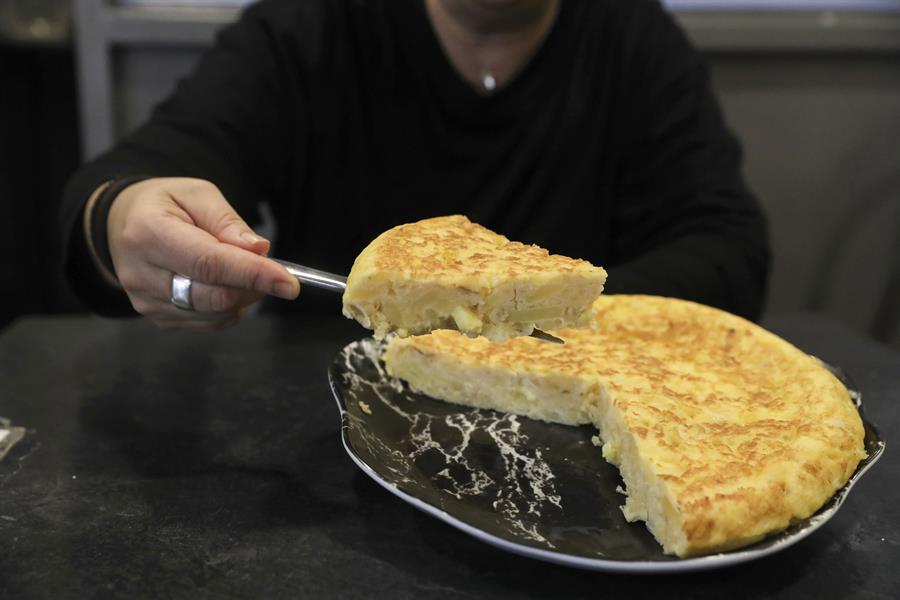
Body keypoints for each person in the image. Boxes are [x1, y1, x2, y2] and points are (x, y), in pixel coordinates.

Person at [60, 0, 770, 332]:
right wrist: (122, 220)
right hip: (332, 434)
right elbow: (120, 190)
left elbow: (728, 247)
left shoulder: (632, 38)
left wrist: (554, 315)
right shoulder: (313, 26)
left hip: (575, 444)